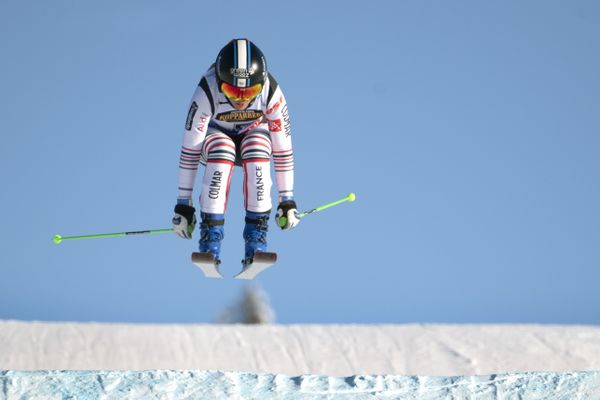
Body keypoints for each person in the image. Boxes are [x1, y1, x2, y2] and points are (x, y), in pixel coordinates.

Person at [171, 39, 299, 267]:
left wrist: (286, 199)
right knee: (223, 150)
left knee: (258, 148)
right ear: (220, 82)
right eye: (231, 90)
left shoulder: (270, 92)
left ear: (260, 85)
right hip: (215, 136)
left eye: (249, 92)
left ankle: (256, 240)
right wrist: (184, 203)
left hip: (254, 133)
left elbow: (283, 149)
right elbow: (190, 151)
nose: (241, 100)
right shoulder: (207, 91)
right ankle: (210, 240)